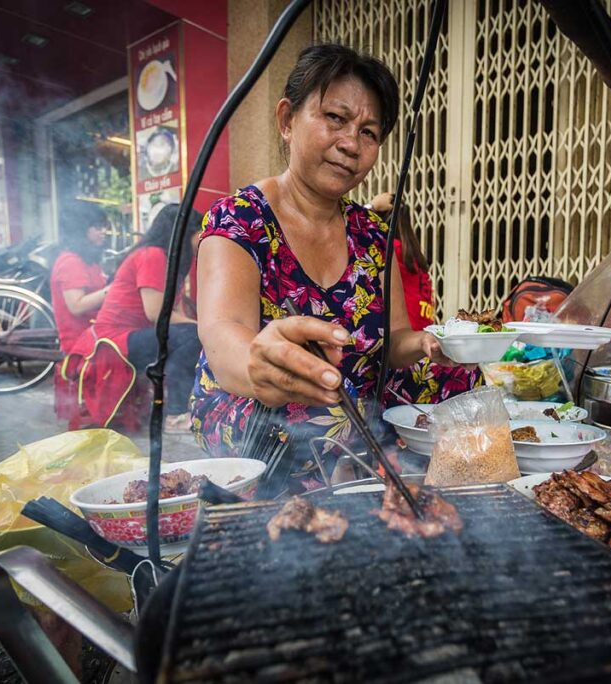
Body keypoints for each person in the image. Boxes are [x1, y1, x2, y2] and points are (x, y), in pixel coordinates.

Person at [191, 44, 462, 490]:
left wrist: (431, 343)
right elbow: (223, 334)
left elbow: (394, 342)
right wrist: (264, 363)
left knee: (459, 378)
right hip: (256, 399)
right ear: (286, 120)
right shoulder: (239, 218)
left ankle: (434, 493)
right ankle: (319, 507)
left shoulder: (374, 233)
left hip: (352, 396)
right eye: (335, 118)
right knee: (316, 407)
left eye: (369, 132)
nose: (350, 144)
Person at [71, 203, 201, 432]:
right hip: (113, 340)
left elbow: (176, 314)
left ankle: (178, 405)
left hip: (134, 335)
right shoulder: (152, 255)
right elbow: (157, 314)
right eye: (201, 232)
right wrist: (203, 328)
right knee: (192, 336)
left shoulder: (174, 261)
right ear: (184, 232)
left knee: (191, 334)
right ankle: (176, 415)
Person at [366, 192, 481, 406]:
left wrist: (371, 206)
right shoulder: (414, 255)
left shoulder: (387, 248)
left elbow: (351, 231)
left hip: (405, 347)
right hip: (423, 345)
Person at [50, 201, 109, 354]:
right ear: (81, 230)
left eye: (104, 227)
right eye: (98, 227)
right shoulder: (70, 262)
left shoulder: (87, 259)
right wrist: (113, 289)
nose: (104, 232)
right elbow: (76, 306)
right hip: (82, 342)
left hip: (97, 332)